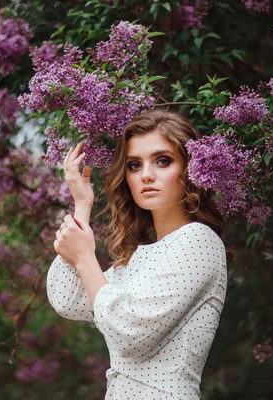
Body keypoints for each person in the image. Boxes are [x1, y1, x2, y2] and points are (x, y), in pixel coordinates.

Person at [46, 109, 227, 400]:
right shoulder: (138, 260)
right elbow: (67, 299)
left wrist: (84, 257)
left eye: (163, 161)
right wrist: (82, 206)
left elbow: (129, 334)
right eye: (134, 165)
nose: (146, 175)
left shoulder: (199, 241)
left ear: (189, 168)